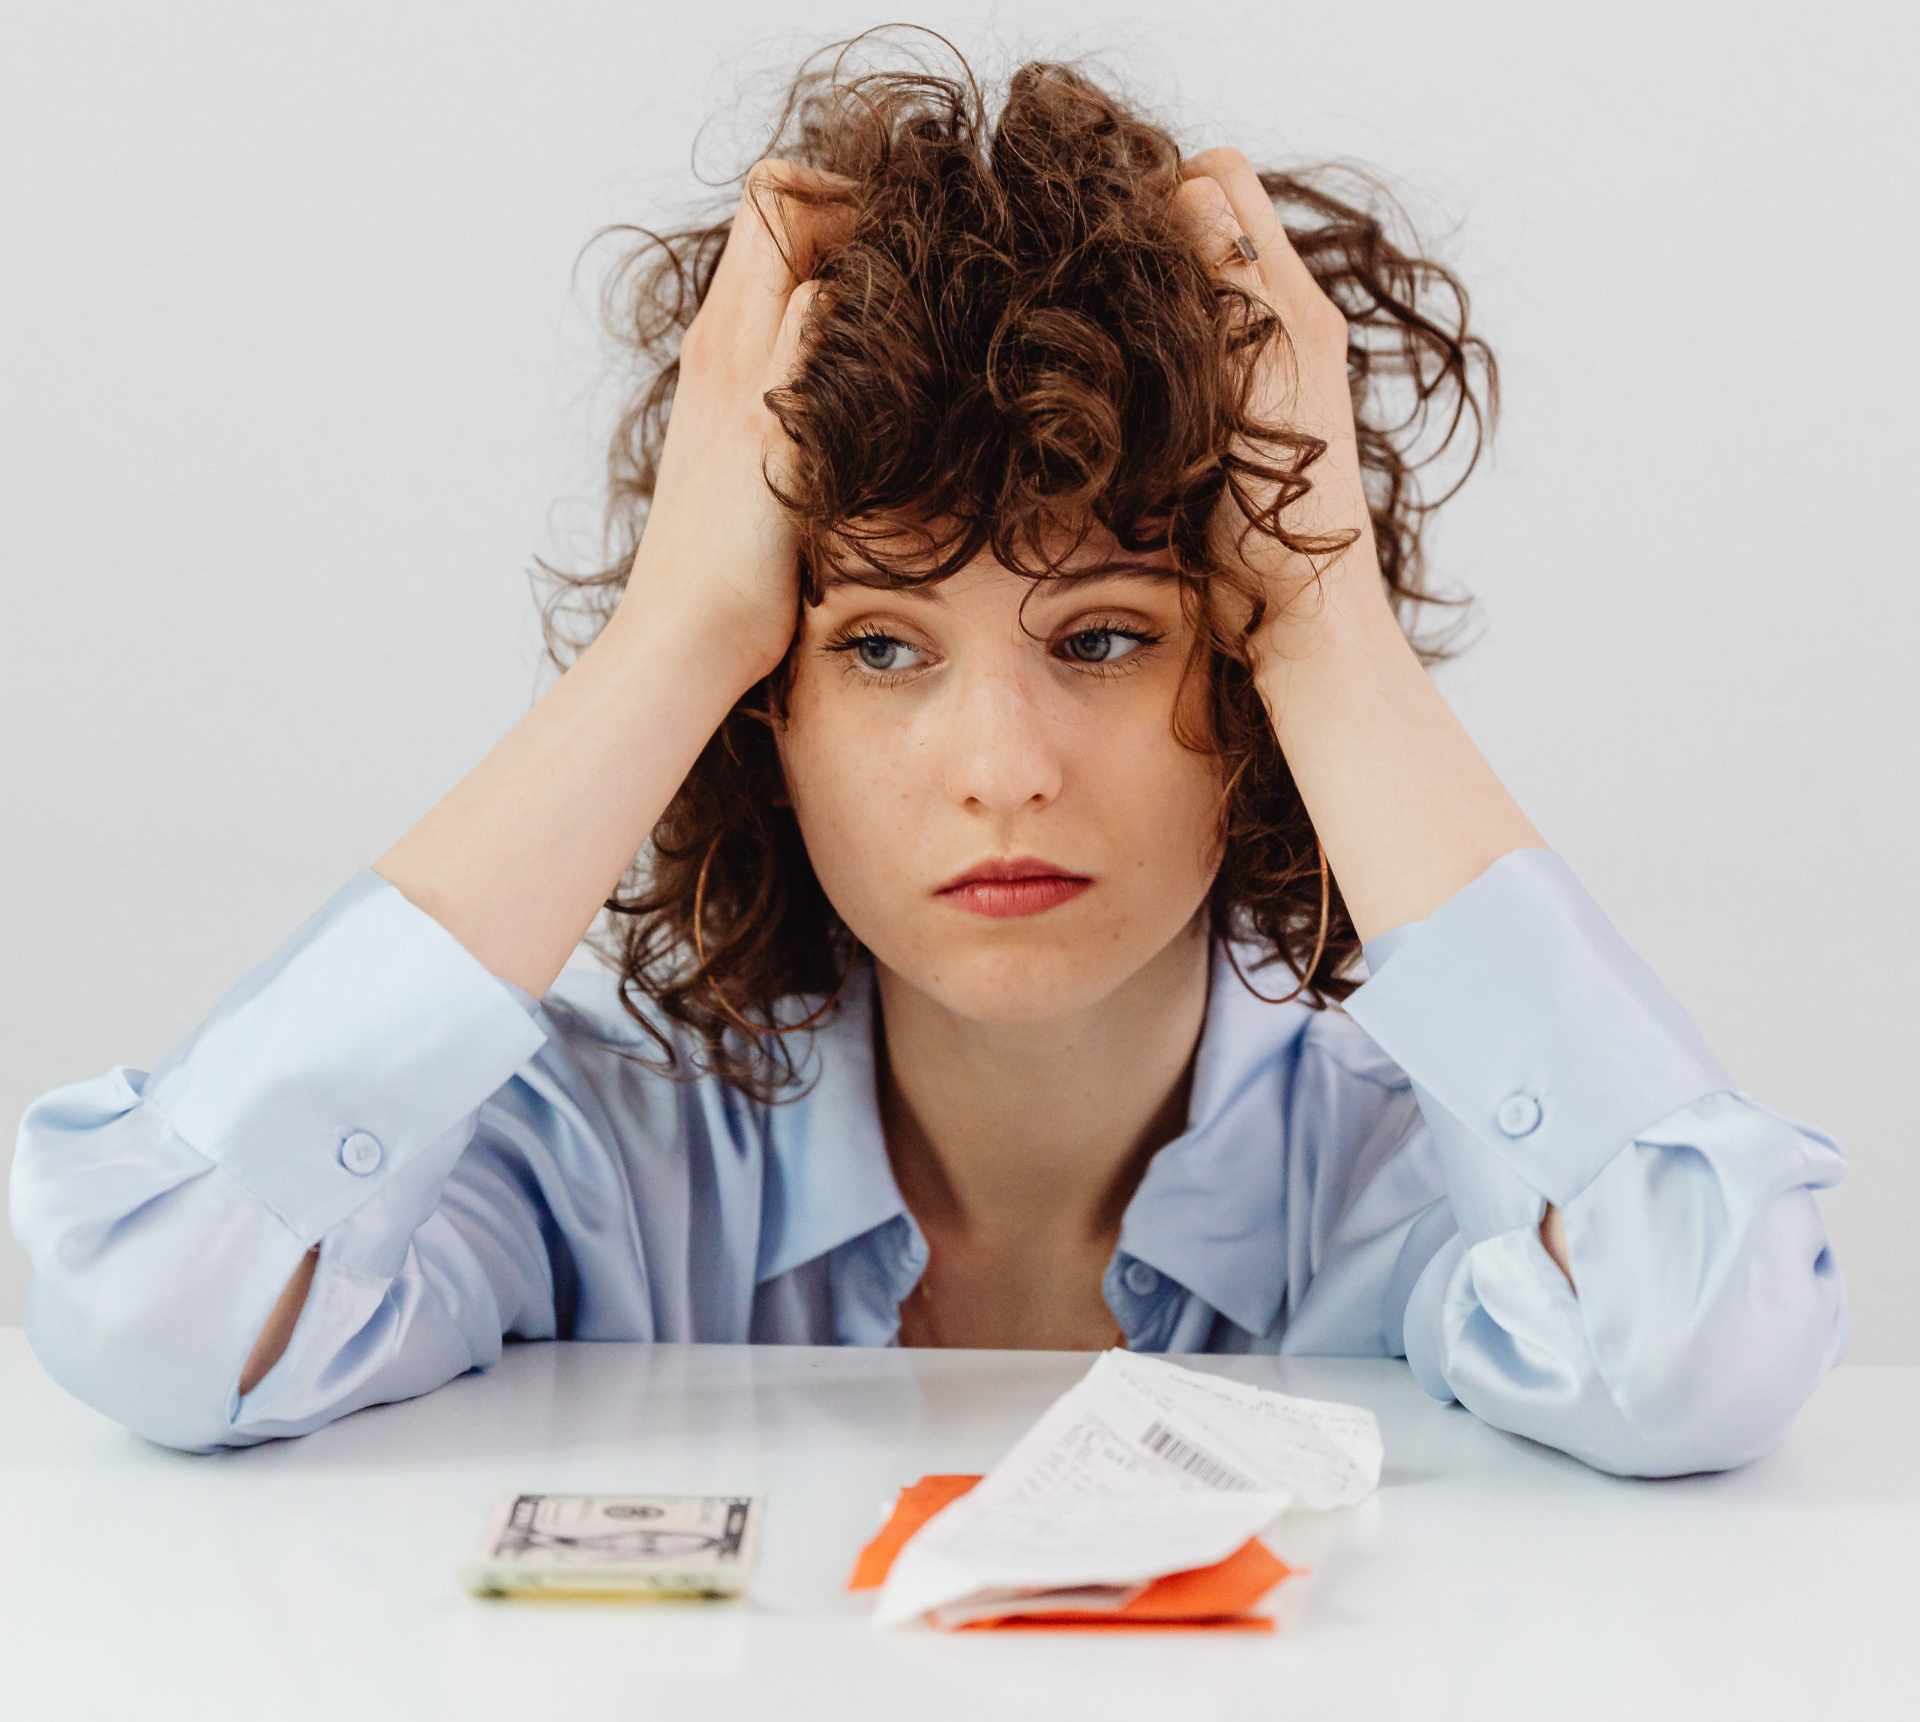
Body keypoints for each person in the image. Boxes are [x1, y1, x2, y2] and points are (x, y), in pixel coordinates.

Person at [9, 40, 1846, 1470]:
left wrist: (1325, 605)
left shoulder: (1404, 1188)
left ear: (1254, 689)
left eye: (1107, 639)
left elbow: (1694, 1344)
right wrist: (679, 631)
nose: (1003, 769)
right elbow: (162, 1308)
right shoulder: (604, 1170)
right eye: (881, 647)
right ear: (770, 718)